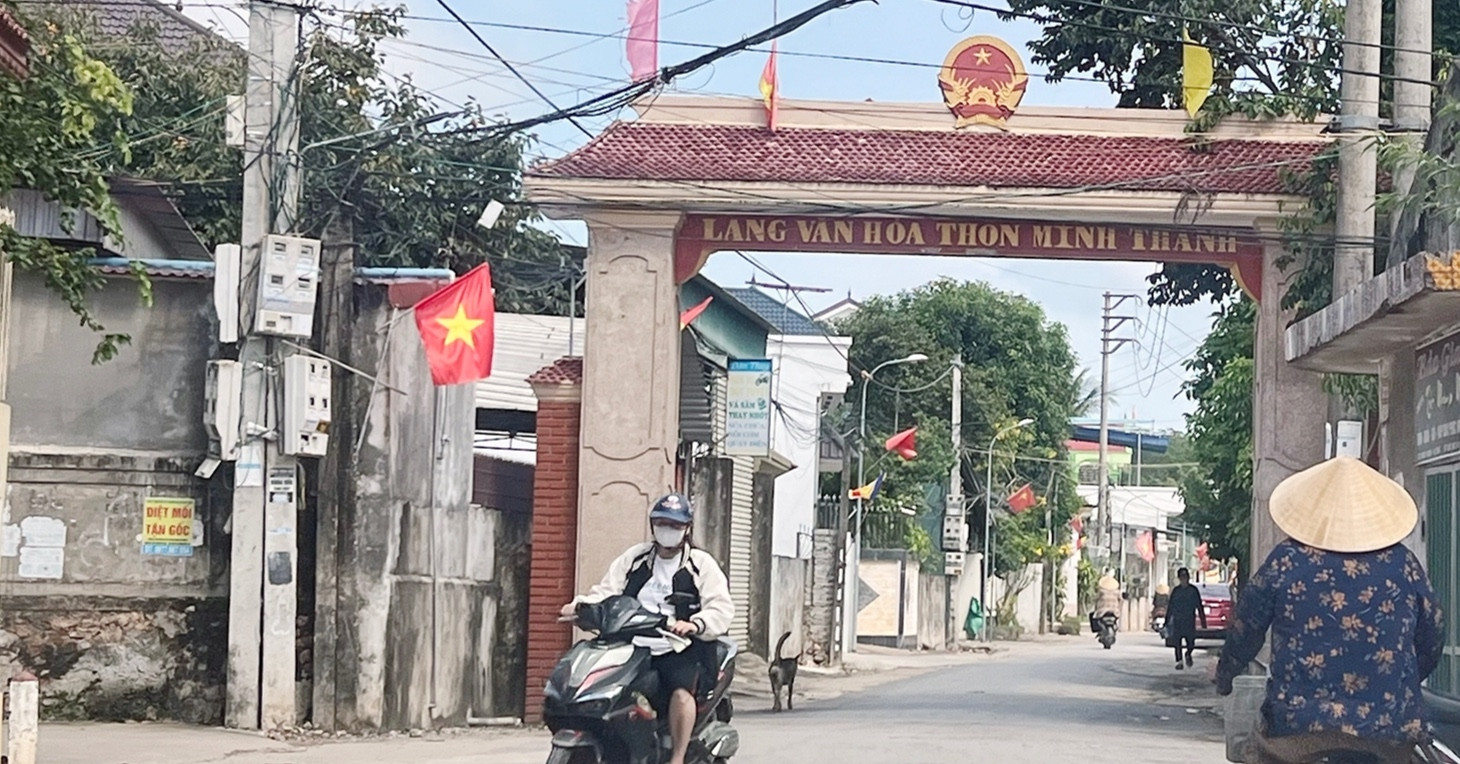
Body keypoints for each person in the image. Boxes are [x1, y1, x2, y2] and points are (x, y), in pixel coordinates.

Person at [1214, 457, 1445, 764]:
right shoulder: (1403, 565)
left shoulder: (1286, 560)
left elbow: (1246, 627)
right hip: (1389, 731)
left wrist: (1225, 675)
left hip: (1296, 729)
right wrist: (1400, 682)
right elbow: (1433, 636)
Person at [561, 493, 733, 764]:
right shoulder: (635, 557)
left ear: (687, 528)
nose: (668, 529)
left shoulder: (701, 564)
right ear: (653, 525)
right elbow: (607, 592)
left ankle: (676, 757)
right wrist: (580, 606)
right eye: (662, 522)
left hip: (676, 646)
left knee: (680, 692)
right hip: (629, 645)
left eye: (675, 525)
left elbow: (721, 608)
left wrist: (694, 624)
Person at [1166, 567, 1206, 670]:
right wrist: (1167, 621)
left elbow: (1199, 606)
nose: (1184, 579)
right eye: (1182, 577)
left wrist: (1203, 621)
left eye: (1185, 577)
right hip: (1178, 621)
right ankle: (1179, 661)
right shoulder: (1176, 591)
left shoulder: (1193, 591)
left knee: (1191, 642)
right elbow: (1170, 606)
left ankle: (1188, 654)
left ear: (1188, 578)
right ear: (1179, 578)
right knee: (1177, 642)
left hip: (1189, 621)